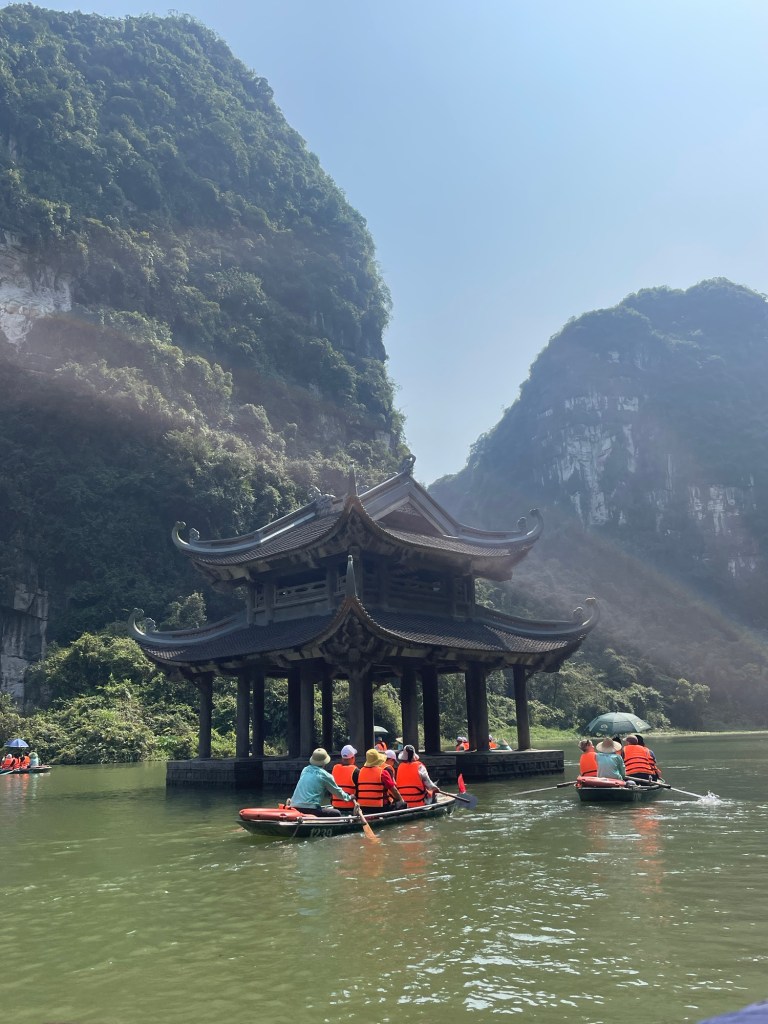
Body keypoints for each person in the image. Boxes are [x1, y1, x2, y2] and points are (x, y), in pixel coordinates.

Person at [289, 748, 360, 817]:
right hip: (311, 809)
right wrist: (349, 797)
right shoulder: (325, 776)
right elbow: (337, 791)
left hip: (294, 807)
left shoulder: (305, 770)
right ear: (325, 762)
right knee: (337, 813)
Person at [331, 744, 358, 811]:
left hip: (336, 806)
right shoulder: (356, 771)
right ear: (353, 758)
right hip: (351, 807)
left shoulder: (335, 768)